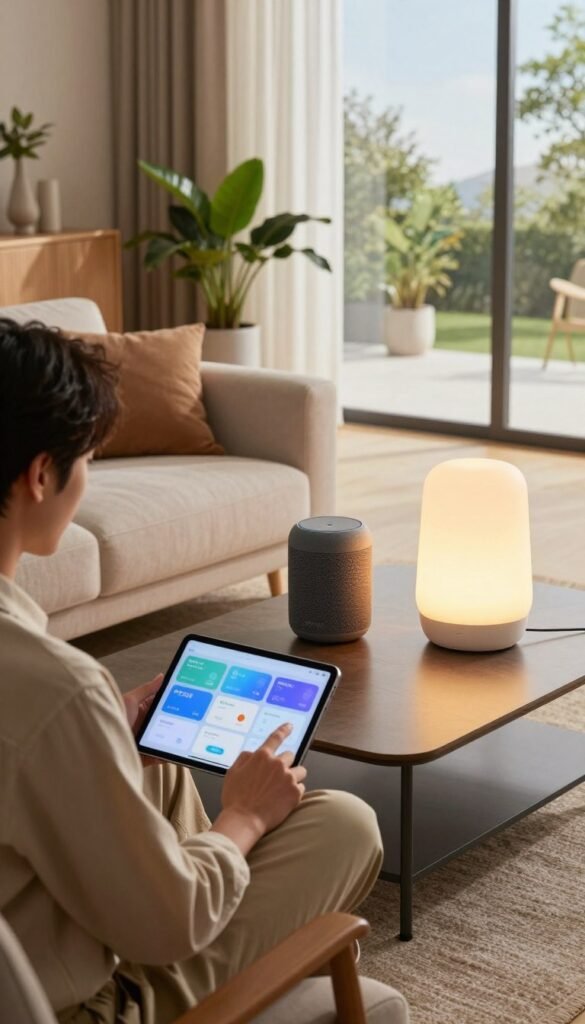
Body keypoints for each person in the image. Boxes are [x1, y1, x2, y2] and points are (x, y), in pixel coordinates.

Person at [0, 318, 383, 1024]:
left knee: (160, 761)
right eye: (89, 458)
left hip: (27, 936)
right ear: (41, 474)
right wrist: (243, 814)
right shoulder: (55, 688)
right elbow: (168, 925)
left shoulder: (47, 690)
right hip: (90, 1003)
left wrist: (99, 732)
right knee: (347, 824)